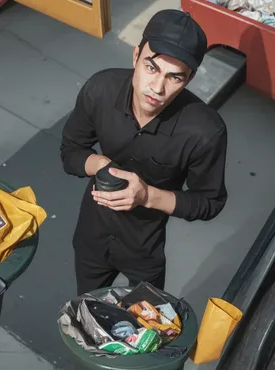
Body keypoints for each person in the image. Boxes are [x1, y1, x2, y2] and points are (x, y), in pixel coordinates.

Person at [60, 9, 228, 296]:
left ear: (190, 79)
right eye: (152, 67)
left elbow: (209, 202)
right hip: (92, 235)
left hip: (144, 249)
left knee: (145, 324)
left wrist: (147, 195)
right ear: (136, 55)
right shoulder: (100, 89)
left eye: (174, 77)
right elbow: (70, 151)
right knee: (86, 309)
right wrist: (99, 164)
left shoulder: (205, 132)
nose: (158, 88)